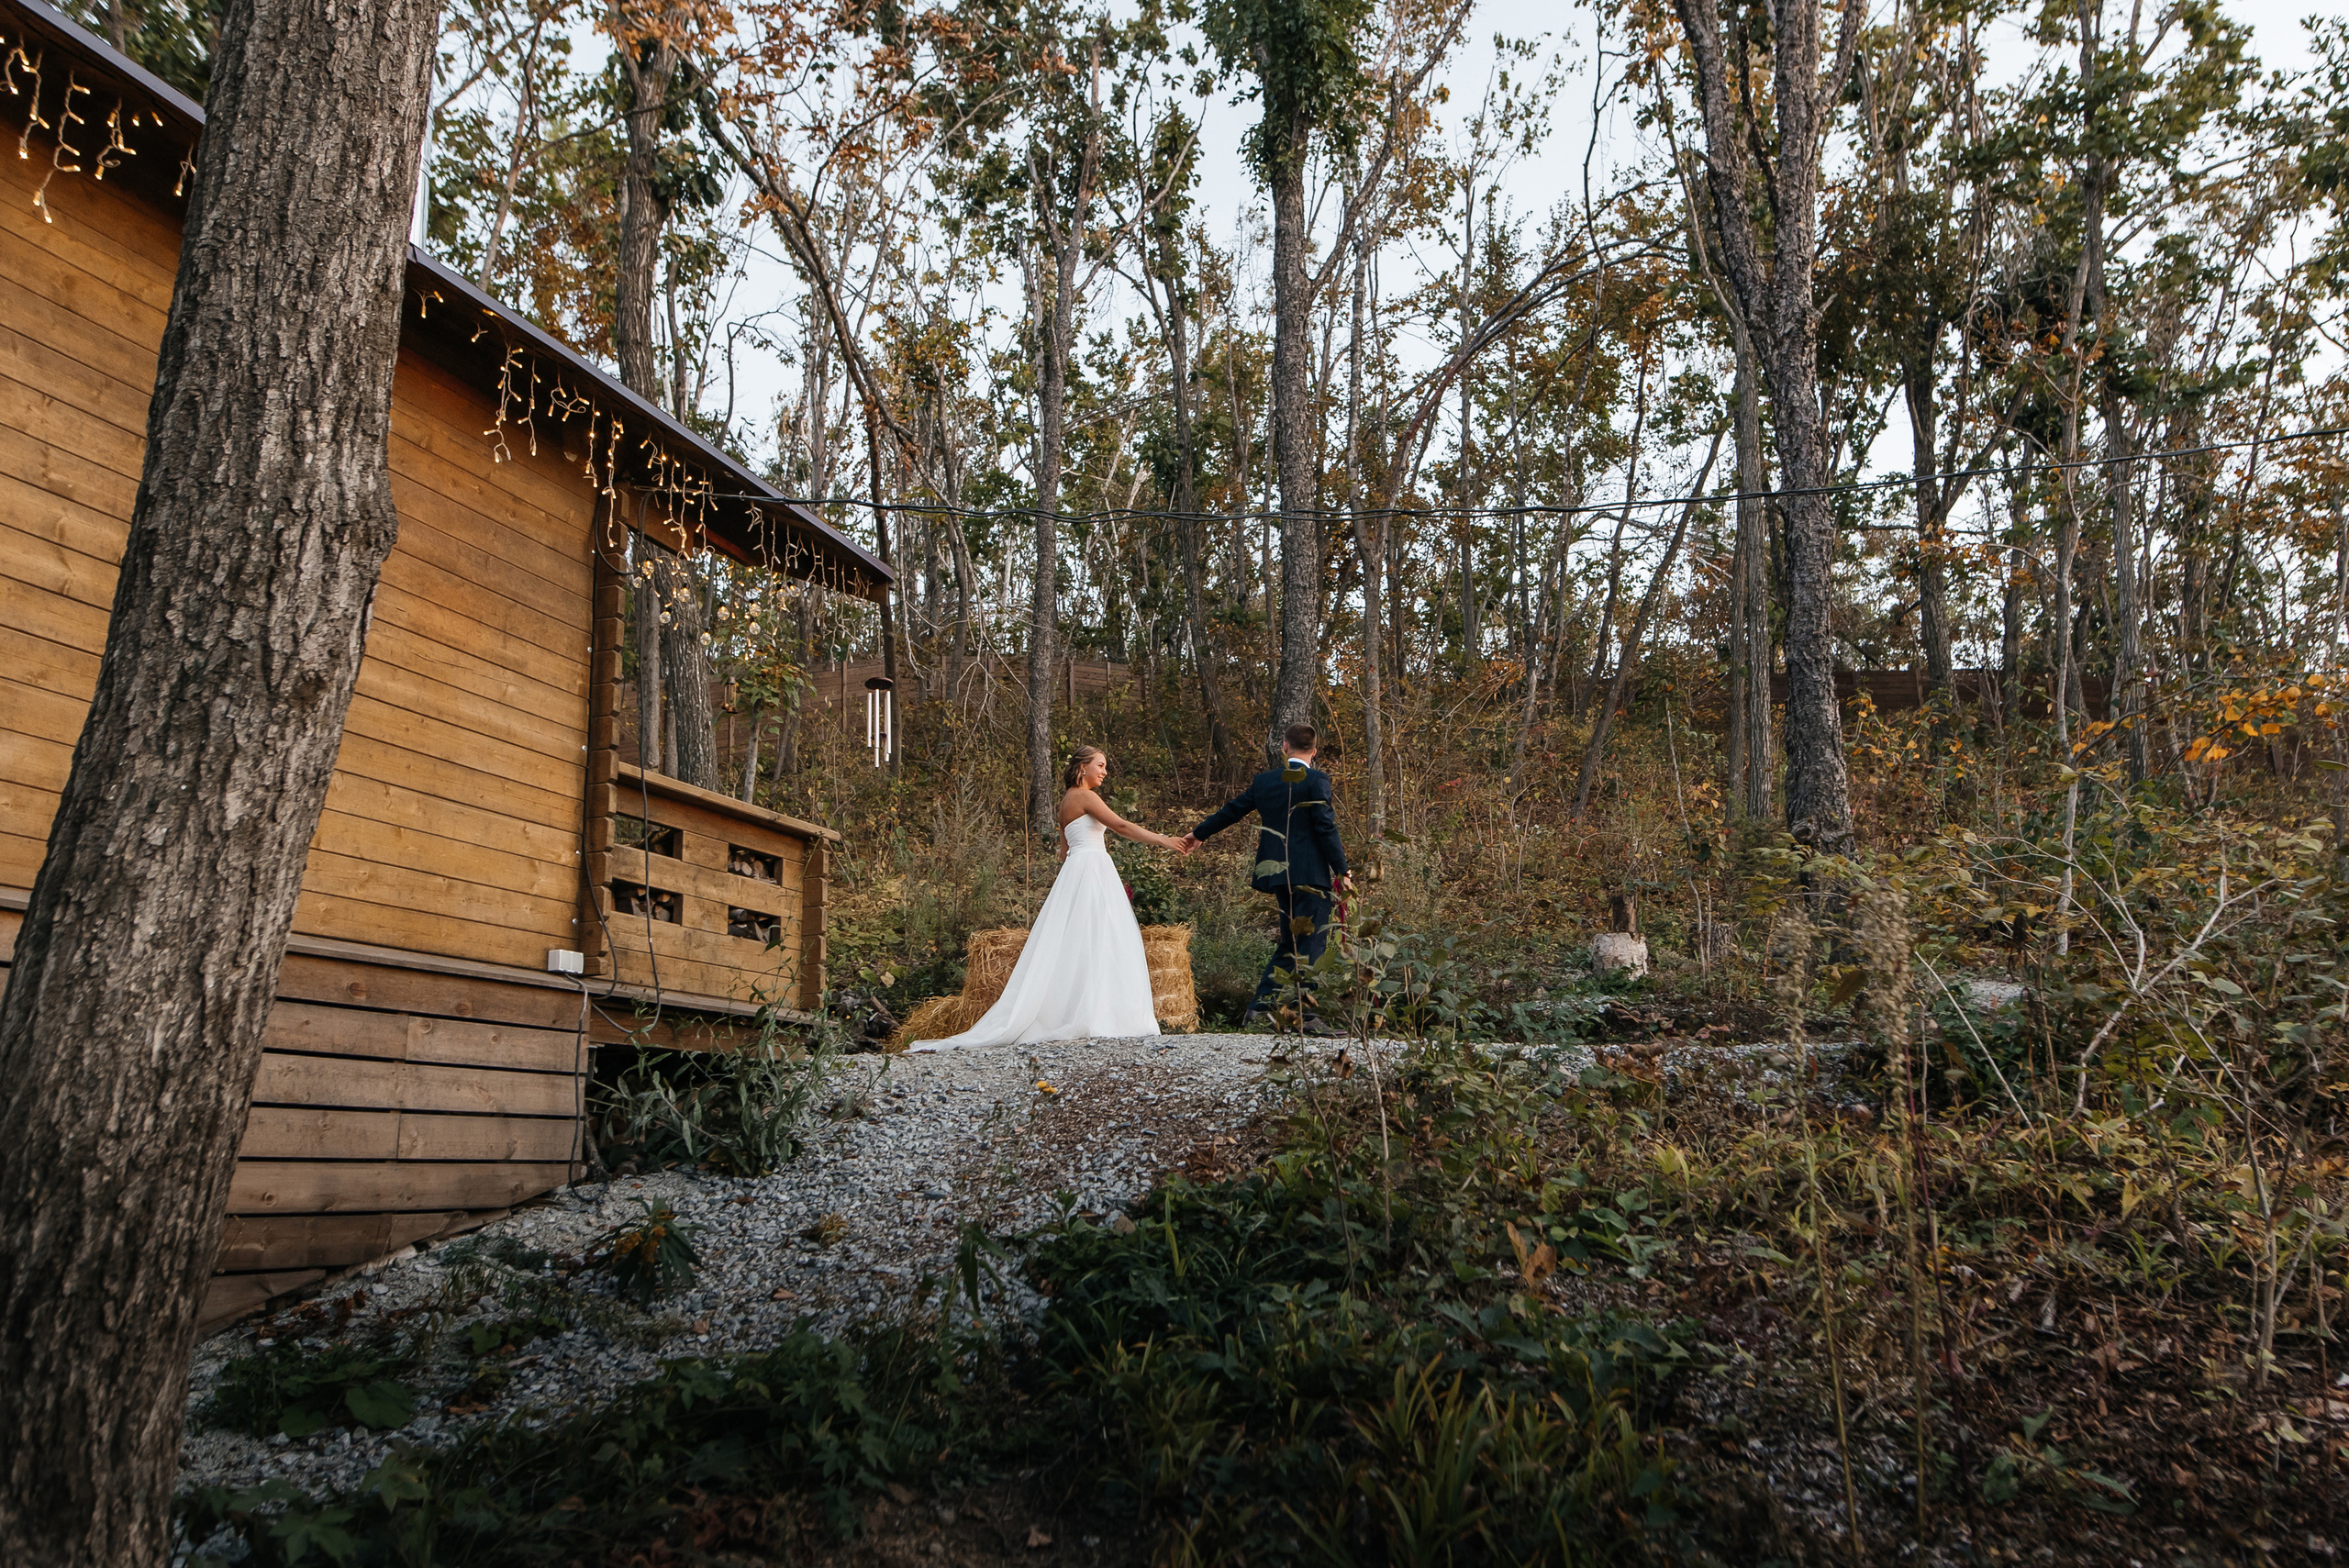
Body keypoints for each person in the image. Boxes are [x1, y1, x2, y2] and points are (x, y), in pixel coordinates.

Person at [911, 746, 1189, 1051]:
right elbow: (1120, 826)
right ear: (1083, 767)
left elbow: (1063, 852)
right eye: (1101, 765)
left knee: (1079, 941)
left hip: (1077, 869)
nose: (1105, 771)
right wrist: (1165, 841)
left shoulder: (1065, 802)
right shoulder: (1085, 796)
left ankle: (1078, 1010)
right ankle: (1100, 1013)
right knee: (1101, 938)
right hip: (1092, 868)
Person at [1181, 724, 1352, 1031]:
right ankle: (1307, 1016)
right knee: (1311, 944)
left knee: (1291, 943)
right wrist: (1342, 869)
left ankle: (1259, 1010)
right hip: (1311, 876)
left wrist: (1198, 833)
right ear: (1314, 751)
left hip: (1278, 876)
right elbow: (1325, 826)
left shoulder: (1265, 781)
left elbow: (1232, 811)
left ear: (1285, 748)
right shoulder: (1316, 780)